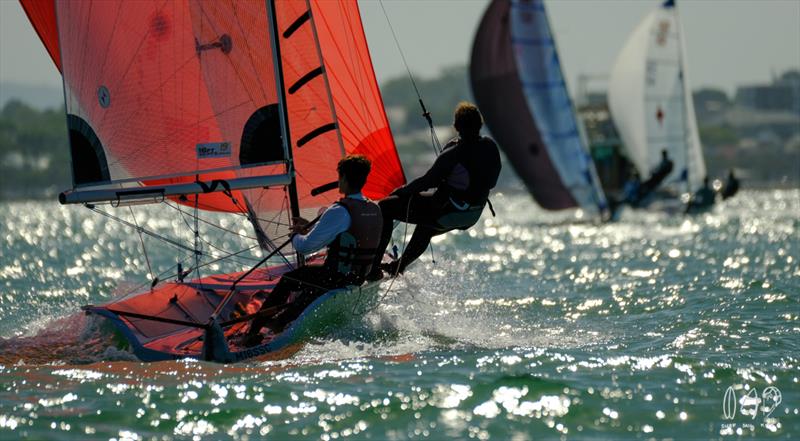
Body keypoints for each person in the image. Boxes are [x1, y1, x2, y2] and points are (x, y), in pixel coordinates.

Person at [243, 155, 383, 345]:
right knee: (310, 285)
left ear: (343, 178)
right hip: (358, 278)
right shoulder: (374, 208)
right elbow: (350, 235)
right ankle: (281, 323)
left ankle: (253, 331)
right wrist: (310, 229)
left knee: (289, 280)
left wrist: (295, 235)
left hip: (335, 278)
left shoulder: (339, 210)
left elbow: (306, 246)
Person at [368, 102, 501, 279]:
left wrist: (400, 191)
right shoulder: (490, 147)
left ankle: (373, 268)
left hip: (452, 210)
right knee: (427, 226)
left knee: (386, 206)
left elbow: (427, 182)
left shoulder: (454, 153)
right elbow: (491, 183)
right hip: (472, 214)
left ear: (456, 126)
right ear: (480, 124)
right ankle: (398, 266)